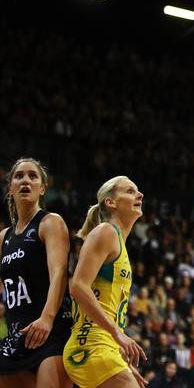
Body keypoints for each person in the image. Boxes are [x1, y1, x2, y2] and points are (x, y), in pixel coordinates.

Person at [62, 176, 147, 388]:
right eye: (129, 191)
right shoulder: (106, 231)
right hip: (90, 346)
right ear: (111, 202)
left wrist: (121, 360)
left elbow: (107, 305)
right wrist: (118, 334)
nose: (139, 195)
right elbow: (78, 287)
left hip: (105, 347)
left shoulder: (119, 242)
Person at [0, 158, 72, 388]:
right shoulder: (3, 238)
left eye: (33, 176)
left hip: (51, 330)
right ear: (10, 187)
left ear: (42, 188)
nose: (25, 180)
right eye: (19, 176)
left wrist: (47, 318)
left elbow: (60, 272)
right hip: (17, 335)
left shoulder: (50, 223)